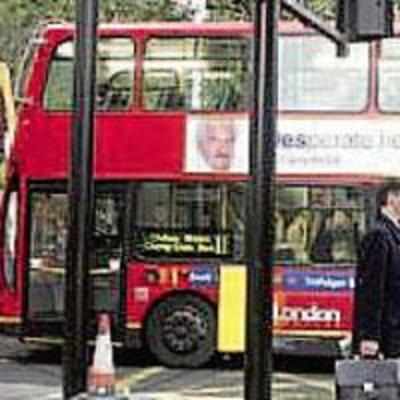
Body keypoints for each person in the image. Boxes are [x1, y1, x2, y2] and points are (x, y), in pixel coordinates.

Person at [356, 181, 400, 358]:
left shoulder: (392, 234)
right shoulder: (379, 235)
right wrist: (370, 336)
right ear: (392, 199)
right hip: (387, 334)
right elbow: (372, 289)